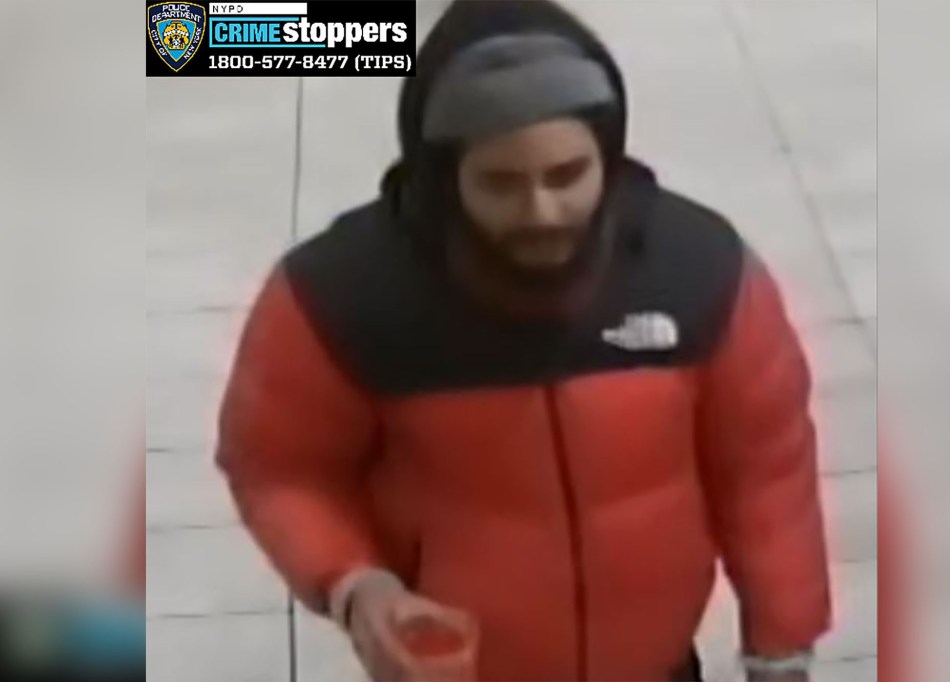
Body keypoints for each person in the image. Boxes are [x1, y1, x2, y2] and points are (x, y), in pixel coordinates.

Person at [216, 1, 831, 680]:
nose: (541, 212)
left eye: (567, 176)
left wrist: (782, 644)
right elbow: (280, 466)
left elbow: (767, 471)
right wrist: (353, 584)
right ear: (444, 178)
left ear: (610, 155)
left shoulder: (702, 274)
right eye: (500, 184)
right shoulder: (340, 296)